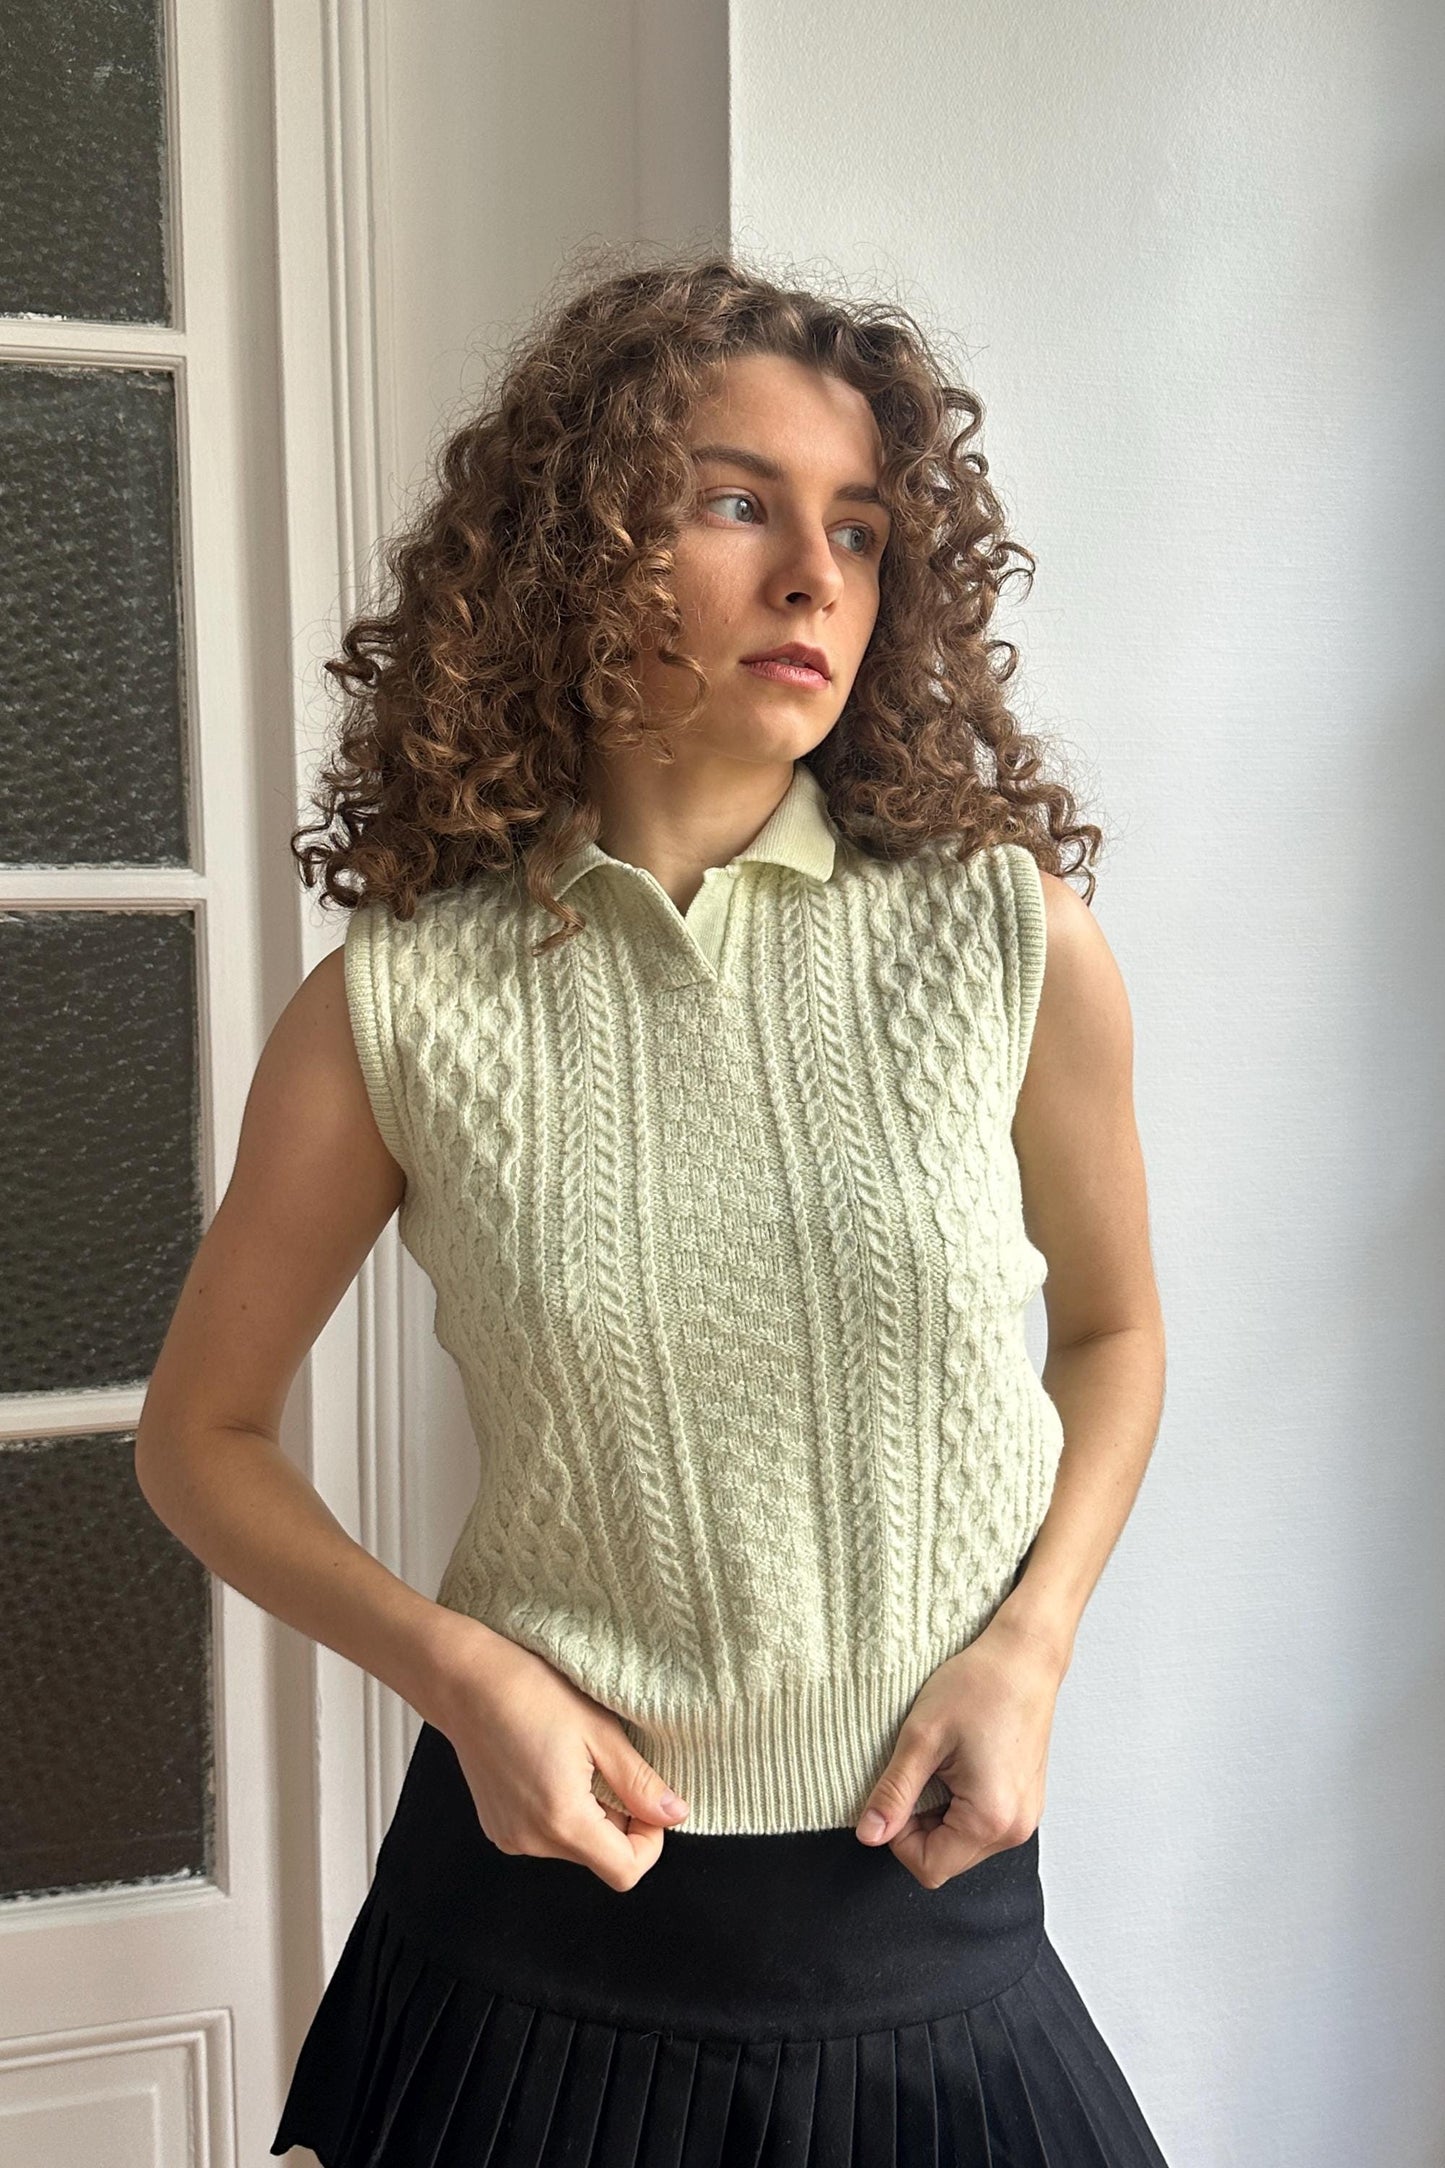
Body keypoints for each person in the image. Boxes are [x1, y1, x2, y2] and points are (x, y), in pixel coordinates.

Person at [135, 247, 1173, 2165]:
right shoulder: (405, 1003)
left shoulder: (1005, 940)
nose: (814, 579)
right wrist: (463, 1679)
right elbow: (199, 1441)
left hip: (924, 1936)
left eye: (860, 530)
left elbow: (1112, 1334)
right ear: (572, 544)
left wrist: (1028, 1648)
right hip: (529, 1960)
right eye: (736, 502)